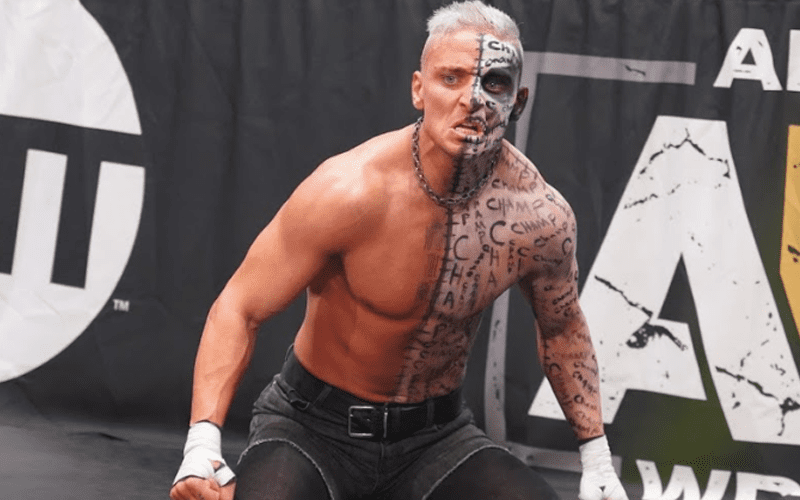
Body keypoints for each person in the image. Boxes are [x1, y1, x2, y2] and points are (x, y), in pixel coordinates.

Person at [170, 1, 630, 499]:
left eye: (493, 83)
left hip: (438, 439)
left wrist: (597, 463)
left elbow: (562, 329)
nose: (471, 100)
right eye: (451, 78)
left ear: (517, 102)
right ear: (418, 89)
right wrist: (201, 443)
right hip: (312, 429)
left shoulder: (538, 216)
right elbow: (240, 306)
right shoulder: (350, 190)